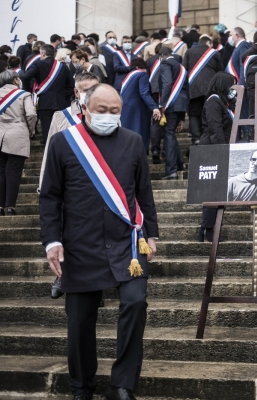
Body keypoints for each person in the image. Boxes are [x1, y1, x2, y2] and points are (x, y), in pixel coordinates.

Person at [40, 84, 158, 400]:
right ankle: (82, 387)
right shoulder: (63, 143)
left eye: (115, 111)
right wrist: (52, 241)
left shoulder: (133, 142)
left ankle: (122, 385)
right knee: (79, 320)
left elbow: (143, 192)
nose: (108, 116)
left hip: (128, 244)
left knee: (135, 301)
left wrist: (152, 234)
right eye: (102, 110)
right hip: (79, 245)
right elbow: (50, 197)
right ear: (86, 108)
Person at [0, 70, 36, 216]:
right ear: (16, 80)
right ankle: (10, 207)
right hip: (17, 133)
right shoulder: (24, 94)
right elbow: (31, 114)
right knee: (13, 173)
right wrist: (30, 130)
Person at [39, 72, 100, 191]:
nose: (92, 94)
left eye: (96, 90)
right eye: (87, 90)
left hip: (101, 177)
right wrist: (43, 186)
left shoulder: (110, 116)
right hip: (72, 178)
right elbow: (50, 152)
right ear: (77, 92)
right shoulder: (61, 117)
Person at [199, 72, 237, 241]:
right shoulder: (214, 101)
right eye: (231, 86)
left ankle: (209, 227)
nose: (233, 89)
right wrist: (222, 151)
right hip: (213, 150)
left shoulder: (222, 102)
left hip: (218, 148)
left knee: (217, 190)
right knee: (212, 190)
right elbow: (216, 129)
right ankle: (208, 229)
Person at [21, 44, 74, 145]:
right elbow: (71, 86)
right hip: (60, 102)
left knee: (47, 131)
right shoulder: (63, 67)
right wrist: (62, 94)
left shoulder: (38, 64)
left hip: (44, 102)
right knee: (60, 131)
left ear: (43, 53)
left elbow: (25, 77)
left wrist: (29, 92)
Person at [183, 36, 223, 145]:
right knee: (210, 113)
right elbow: (220, 72)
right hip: (210, 90)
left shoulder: (189, 52)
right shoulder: (214, 53)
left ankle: (196, 138)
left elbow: (184, 70)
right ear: (209, 43)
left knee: (194, 115)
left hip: (193, 89)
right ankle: (208, 136)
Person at [158, 47, 188, 180]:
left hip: (170, 104)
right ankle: (180, 163)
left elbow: (167, 83)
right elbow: (186, 88)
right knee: (170, 133)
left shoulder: (165, 63)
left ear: (161, 55)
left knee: (168, 134)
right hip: (181, 104)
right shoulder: (181, 67)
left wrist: (162, 104)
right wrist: (182, 117)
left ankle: (171, 170)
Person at [120, 58, 161, 153]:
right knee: (139, 133)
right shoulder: (142, 74)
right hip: (138, 109)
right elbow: (144, 93)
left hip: (126, 108)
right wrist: (154, 107)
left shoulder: (128, 75)